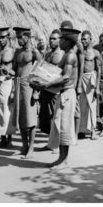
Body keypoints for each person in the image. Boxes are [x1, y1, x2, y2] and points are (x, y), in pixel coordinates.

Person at [36, 28, 79, 170]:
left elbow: (66, 77)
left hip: (67, 94)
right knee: (61, 126)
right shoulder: (66, 55)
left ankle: (64, 160)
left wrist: (47, 84)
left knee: (65, 128)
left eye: (62, 39)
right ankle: (61, 158)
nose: (59, 41)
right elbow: (54, 72)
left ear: (68, 41)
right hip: (63, 93)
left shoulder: (70, 56)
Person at [12, 27, 41, 159]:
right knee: (21, 117)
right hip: (18, 85)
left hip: (30, 86)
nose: (18, 40)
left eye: (20, 37)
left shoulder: (34, 52)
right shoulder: (17, 52)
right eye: (17, 37)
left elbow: (41, 72)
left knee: (30, 118)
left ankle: (31, 148)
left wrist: (36, 91)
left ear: (27, 37)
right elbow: (14, 70)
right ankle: (24, 146)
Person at [60, 20, 84, 139]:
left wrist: (79, 84)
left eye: (65, 30)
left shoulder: (78, 46)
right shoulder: (65, 47)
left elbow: (81, 64)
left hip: (74, 80)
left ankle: (75, 133)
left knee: (76, 108)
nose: (63, 32)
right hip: (67, 78)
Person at [39, 30, 64, 137]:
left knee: (55, 115)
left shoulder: (62, 54)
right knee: (47, 116)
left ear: (60, 40)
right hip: (45, 87)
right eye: (50, 38)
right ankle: (51, 140)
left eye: (54, 39)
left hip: (55, 89)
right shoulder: (47, 54)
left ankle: (57, 142)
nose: (51, 41)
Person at [79, 30, 101, 140]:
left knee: (92, 106)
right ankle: (81, 130)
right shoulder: (80, 52)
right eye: (81, 39)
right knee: (82, 106)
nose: (83, 41)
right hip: (82, 79)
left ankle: (93, 131)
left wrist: (97, 87)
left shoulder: (95, 53)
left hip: (91, 80)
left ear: (90, 39)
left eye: (85, 39)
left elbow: (99, 69)